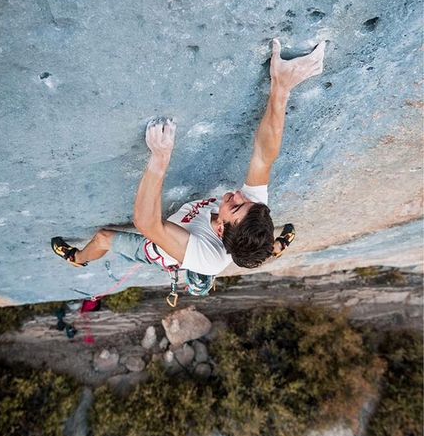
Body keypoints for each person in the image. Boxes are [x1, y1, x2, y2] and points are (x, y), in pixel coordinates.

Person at [52, 38, 325, 282]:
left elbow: (147, 224)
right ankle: (274, 247)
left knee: (103, 238)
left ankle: (77, 259)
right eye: (248, 201)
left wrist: (159, 158)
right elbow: (264, 156)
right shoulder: (252, 213)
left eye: (236, 207)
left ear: (220, 229)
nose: (238, 196)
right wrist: (281, 88)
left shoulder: (207, 255)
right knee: (251, 253)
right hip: (229, 244)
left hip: (166, 250)